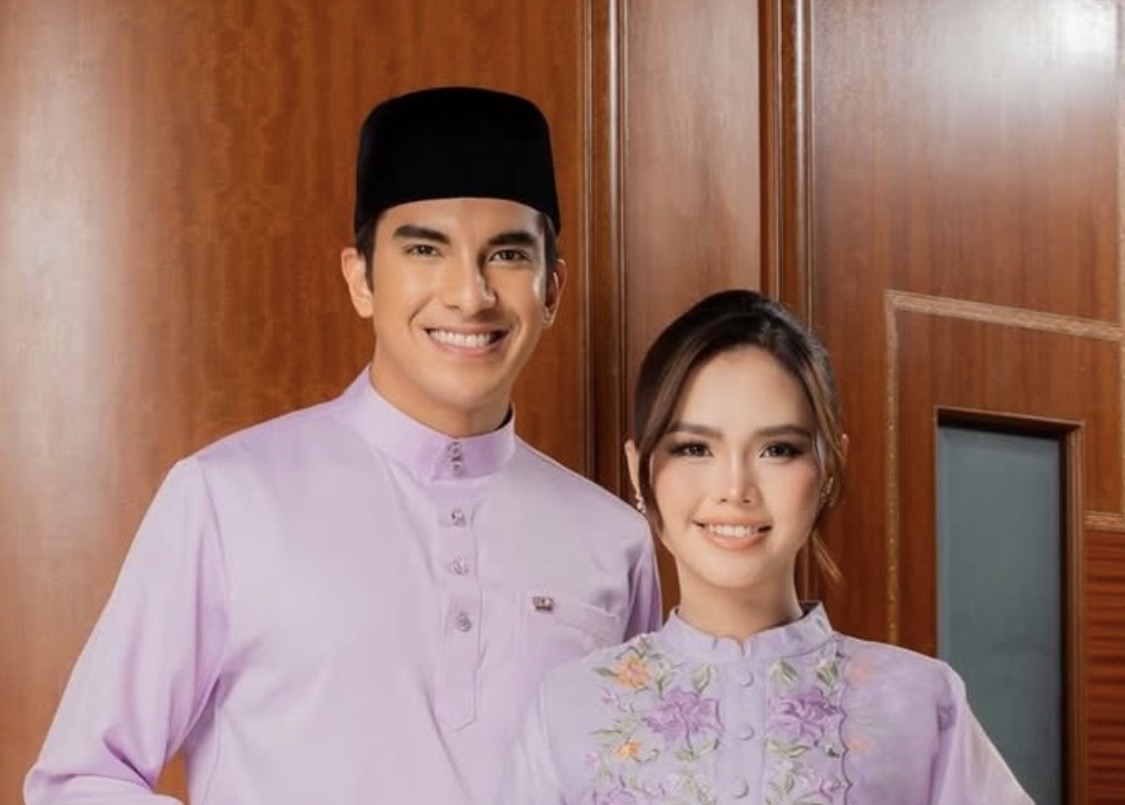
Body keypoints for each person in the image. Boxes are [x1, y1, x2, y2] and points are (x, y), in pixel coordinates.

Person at [25, 86, 662, 805]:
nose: (469, 293)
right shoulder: (227, 499)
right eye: (425, 249)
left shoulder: (614, 542)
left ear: (551, 289)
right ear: (361, 280)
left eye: (507, 254)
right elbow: (79, 780)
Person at [499, 289, 1031, 804]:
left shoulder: (920, 704)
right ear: (641, 471)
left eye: (778, 449)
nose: (735, 489)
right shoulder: (568, 710)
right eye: (694, 448)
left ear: (829, 468)